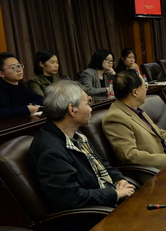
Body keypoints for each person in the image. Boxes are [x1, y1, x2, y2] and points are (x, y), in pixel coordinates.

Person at [28, 80, 135, 212]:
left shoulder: (76, 135)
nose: (91, 108)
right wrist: (115, 194)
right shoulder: (51, 151)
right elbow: (71, 198)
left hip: (106, 201)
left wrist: (118, 180)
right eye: (87, 103)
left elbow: (102, 164)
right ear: (72, 109)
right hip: (95, 214)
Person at [102, 69, 166, 169]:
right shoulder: (115, 118)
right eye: (145, 86)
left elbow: (161, 134)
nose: (146, 89)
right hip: (154, 172)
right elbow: (129, 155)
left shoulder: (135, 109)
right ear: (135, 92)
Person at [0, 52, 43, 118]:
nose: (19, 70)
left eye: (19, 66)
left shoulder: (21, 86)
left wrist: (31, 107)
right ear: (2, 73)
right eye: (13, 67)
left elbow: (41, 99)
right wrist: (25, 110)